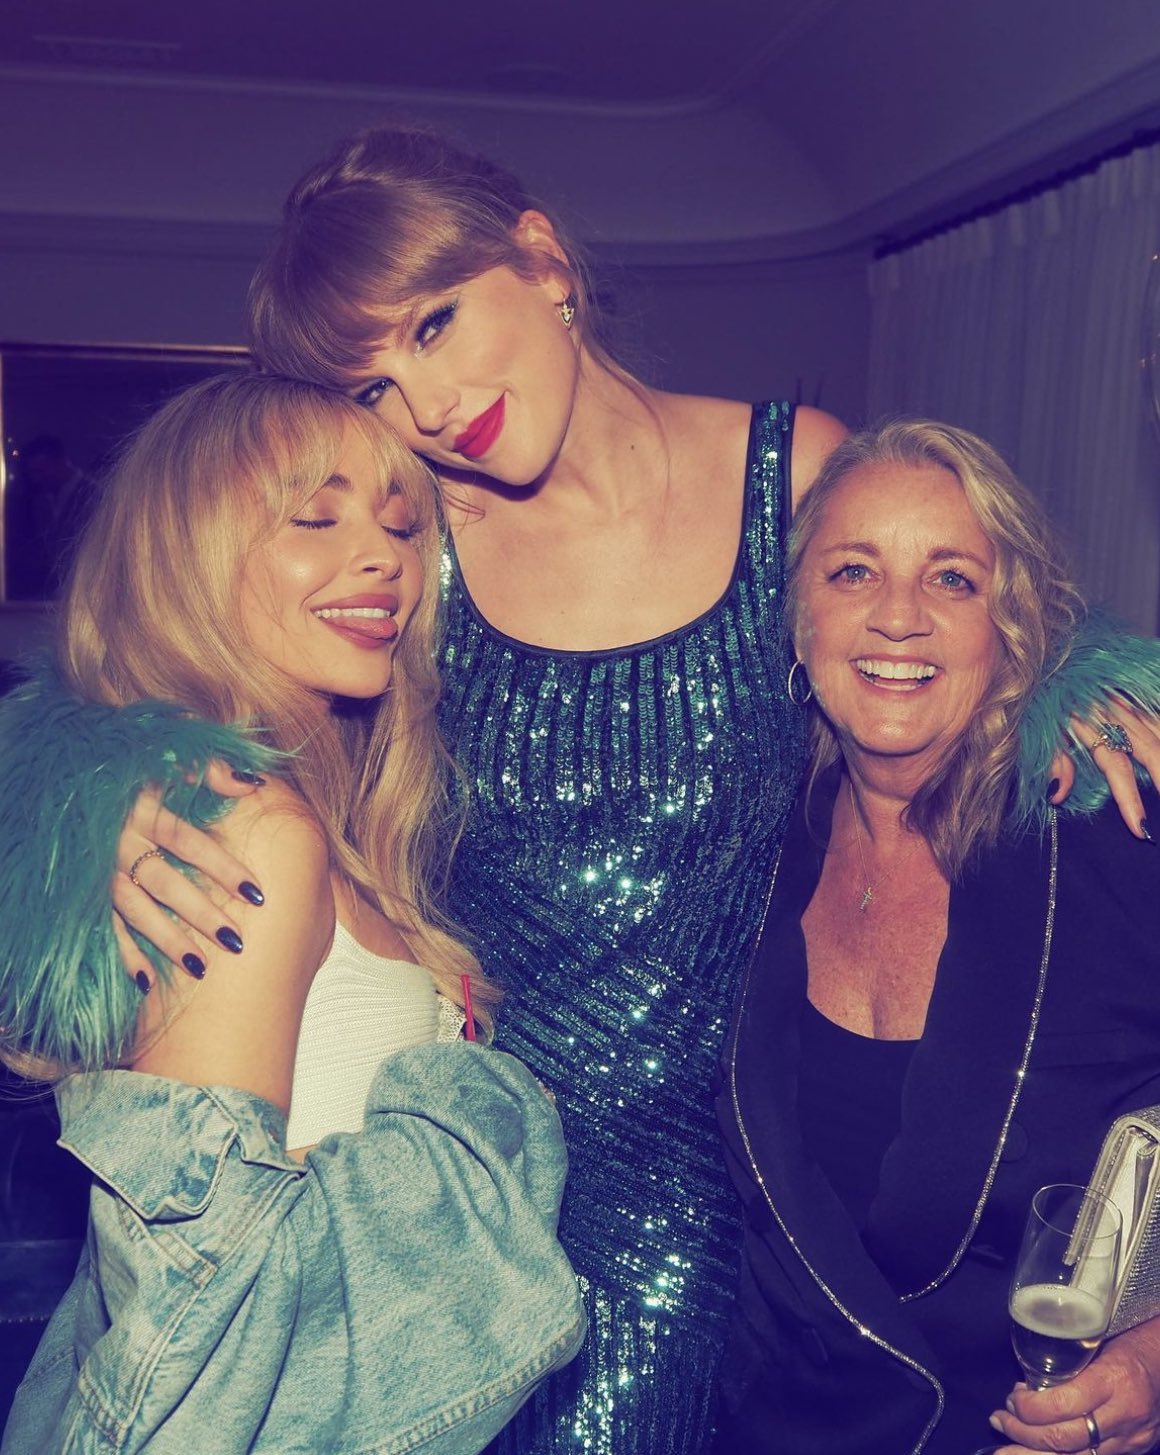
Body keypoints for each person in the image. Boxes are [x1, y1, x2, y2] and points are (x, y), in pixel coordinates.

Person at [110, 128, 1160, 1453]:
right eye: (373, 383)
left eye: (434, 324)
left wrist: (1091, 677)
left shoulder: (791, 469)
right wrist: (124, 780)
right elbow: (204, 641)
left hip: (752, 1196)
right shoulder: (409, 545)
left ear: (542, 261)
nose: (424, 404)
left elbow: (927, 619)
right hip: (494, 1201)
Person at [0, 372, 583, 1455]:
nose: (383, 559)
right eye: (315, 518)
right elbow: (201, 1312)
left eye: (400, 526)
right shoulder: (257, 834)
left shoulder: (319, 820)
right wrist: (482, 1117)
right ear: (187, 557)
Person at [713, 420, 1160, 1455]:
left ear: (1011, 625)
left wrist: (1153, 1359)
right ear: (796, 620)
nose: (899, 617)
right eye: (853, 571)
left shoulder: (1114, 830)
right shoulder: (741, 840)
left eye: (952, 579)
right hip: (773, 1428)